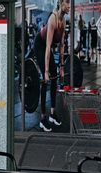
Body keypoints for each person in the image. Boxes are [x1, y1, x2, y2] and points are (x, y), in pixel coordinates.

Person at [33, 0, 70, 132]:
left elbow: (61, 45)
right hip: (40, 46)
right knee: (46, 79)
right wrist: (46, 71)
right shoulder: (53, 19)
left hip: (47, 49)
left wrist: (61, 66)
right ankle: (43, 118)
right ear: (61, 3)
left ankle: (52, 114)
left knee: (55, 78)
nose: (69, 6)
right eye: (68, 3)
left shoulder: (63, 21)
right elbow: (48, 47)